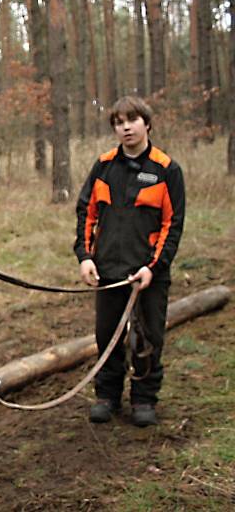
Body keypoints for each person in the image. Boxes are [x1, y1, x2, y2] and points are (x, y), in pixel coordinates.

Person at [75, 96, 185, 427]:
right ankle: (106, 396)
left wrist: (153, 267)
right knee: (106, 336)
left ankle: (143, 400)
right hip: (107, 271)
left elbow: (173, 224)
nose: (125, 127)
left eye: (132, 120)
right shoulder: (104, 165)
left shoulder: (167, 170)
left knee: (148, 338)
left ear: (147, 124)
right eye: (119, 122)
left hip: (148, 274)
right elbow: (87, 212)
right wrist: (85, 258)